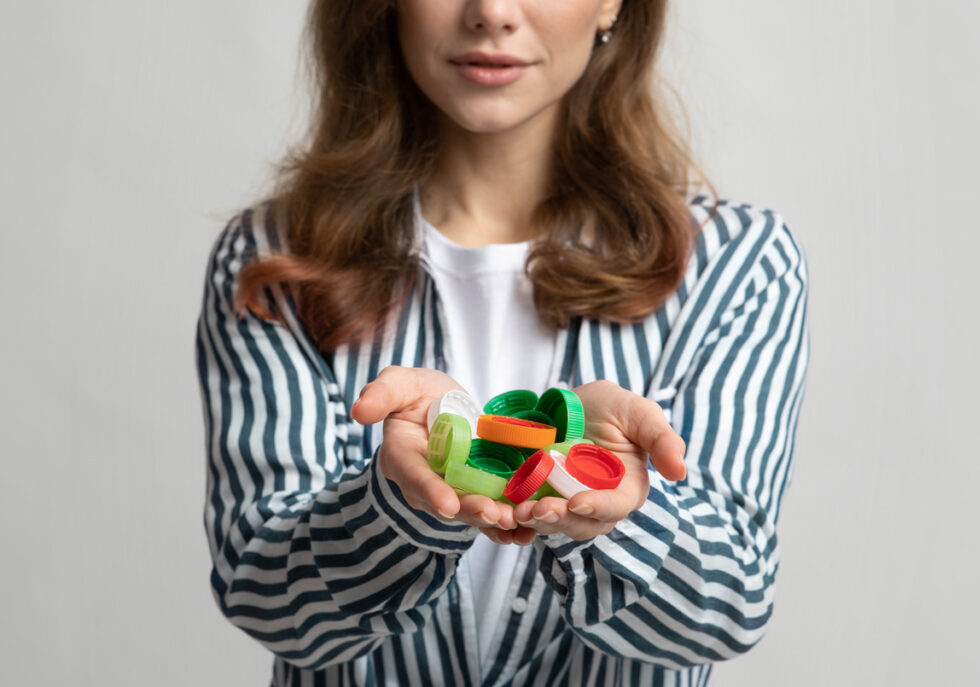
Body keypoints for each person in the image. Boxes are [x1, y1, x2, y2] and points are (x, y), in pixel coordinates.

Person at [195, 0, 810, 685]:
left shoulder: (738, 264)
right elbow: (267, 601)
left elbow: (732, 608)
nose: (490, 11)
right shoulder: (275, 259)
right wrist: (397, 506)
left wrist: (619, 510)